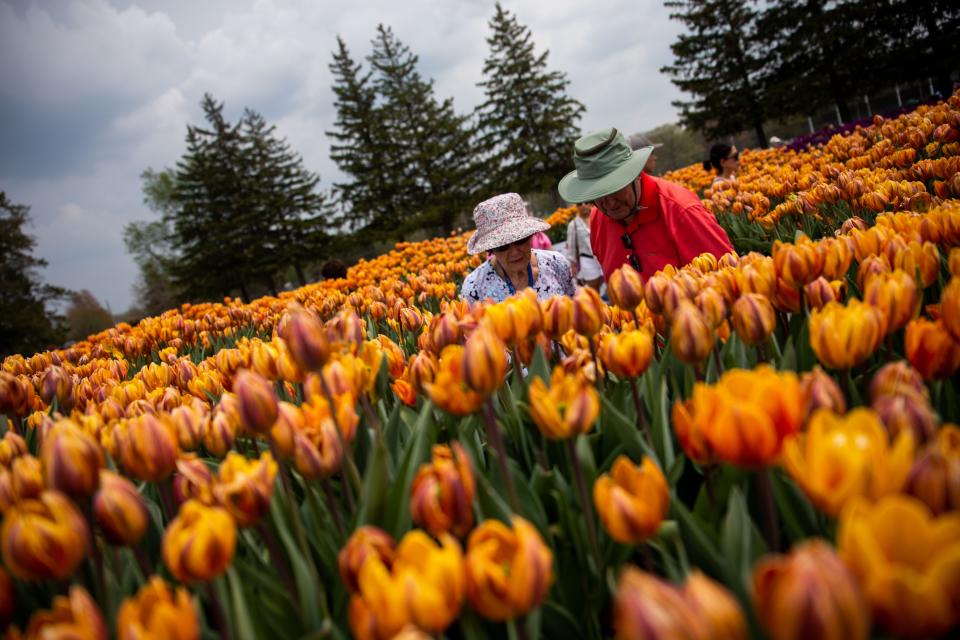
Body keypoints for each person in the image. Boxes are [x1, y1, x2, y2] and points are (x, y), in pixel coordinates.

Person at [557, 127, 733, 281]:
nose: (609, 203)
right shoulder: (598, 219)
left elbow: (727, 279)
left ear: (635, 174)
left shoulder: (681, 211)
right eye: (598, 194)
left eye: (615, 188)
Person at [462, 193, 575, 303]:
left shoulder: (556, 264)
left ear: (531, 235)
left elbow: (574, 307)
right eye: (502, 246)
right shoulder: (474, 287)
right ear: (490, 249)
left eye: (520, 240)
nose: (514, 252)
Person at [565, 203, 604, 292]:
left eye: (586, 203)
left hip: (604, 256)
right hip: (587, 260)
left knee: (611, 285)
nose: (583, 206)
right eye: (579, 204)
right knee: (593, 291)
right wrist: (573, 265)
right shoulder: (573, 224)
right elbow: (571, 247)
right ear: (577, 207)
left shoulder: (599, 218)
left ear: (591, 204)